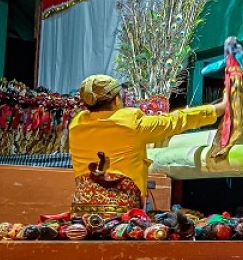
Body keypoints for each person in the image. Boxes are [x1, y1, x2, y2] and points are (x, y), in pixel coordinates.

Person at [68, 74, 226, 216]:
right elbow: (175, 121)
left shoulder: (75, 126)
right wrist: (219, 108)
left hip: (82, 211)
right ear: (116, 100)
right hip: (122, 214)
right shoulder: (131, 124)